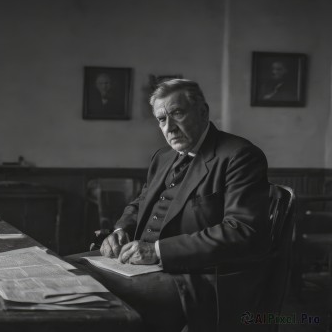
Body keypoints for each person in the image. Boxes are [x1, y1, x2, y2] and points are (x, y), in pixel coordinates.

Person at [79, 79, 270, 331]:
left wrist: (157, 251)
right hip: (141, 269)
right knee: (67, 270)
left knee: (89, 292)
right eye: (161, 119)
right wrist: (120, 230)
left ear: (203, 112)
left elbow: (240, 231)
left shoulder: (239, 155)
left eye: (177, 113)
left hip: (197, 278)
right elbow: (139, 203)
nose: (169, 127)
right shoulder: (163, 157)